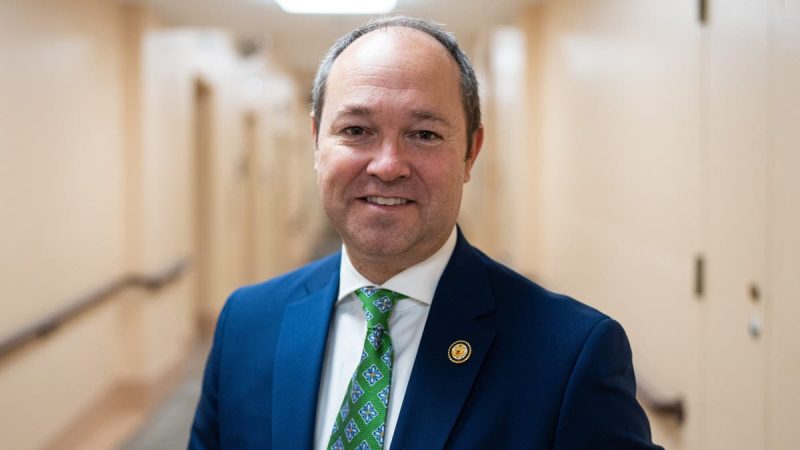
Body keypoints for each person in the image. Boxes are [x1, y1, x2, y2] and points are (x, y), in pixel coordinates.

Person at [189, 16, 662, 450]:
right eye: (356, 130)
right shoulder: (246, 325)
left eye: (424, 135)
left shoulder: (570, 355)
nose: (388, 165)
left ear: (470, 152)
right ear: (317, 143)